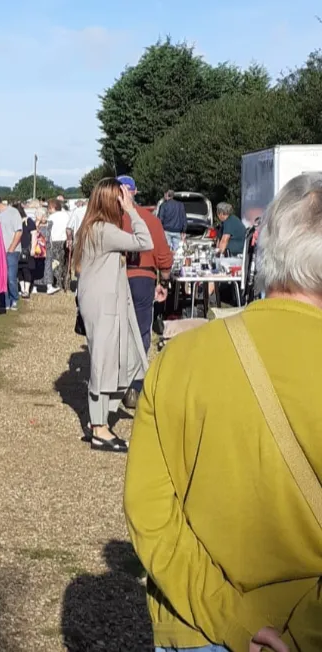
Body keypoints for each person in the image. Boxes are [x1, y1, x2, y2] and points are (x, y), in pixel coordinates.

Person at [124, 172, 321, 652]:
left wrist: (234, 618)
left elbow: (149, 511)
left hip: (198, 629)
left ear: (266, 247)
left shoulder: (179, 360)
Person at [74, 178, 152, 452]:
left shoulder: (91, 227)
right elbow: (145, 241)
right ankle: (99, 428)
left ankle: (101, 420)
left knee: (123, 358)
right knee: (106, 361)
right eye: (120, 197)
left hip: (102, 300)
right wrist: (132, 210)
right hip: (103, 302)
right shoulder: (103, 230)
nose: (124, 201)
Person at [116, 177, 174, 409]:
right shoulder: (149, 218)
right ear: (135, 192)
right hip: (143, 277)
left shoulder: (108, 219)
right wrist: (165, 281)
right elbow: (162, 254)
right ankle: (134, 387)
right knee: (141, 332)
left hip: (117, 276)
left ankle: (115, 383)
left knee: (117, 329)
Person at [0, 200, 24, 309]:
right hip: (0, 251)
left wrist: (12, 247)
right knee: (2, 276)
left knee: (11, 277)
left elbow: (19, 231)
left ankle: (14, 298)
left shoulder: (13, 212)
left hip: (12, 250)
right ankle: (6, 300)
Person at [45, 199, 70, 293]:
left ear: (53, 208)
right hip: (66, 240)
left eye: (49, 208)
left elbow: (48, 231)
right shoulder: (67, 215)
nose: (48, 210)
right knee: (66, 263)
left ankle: (58, 283)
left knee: (56, 263)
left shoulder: (51, 217)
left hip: (55, 241)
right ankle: (66, 283)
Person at [17, 204, 37, 298]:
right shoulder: (16, 222)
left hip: (26, 249)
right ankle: (22, 289)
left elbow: (34, 235)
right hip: (17, 249)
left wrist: (33, 248)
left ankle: (26, 289)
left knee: (26, 270)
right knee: (19, 270)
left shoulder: (29, 221)